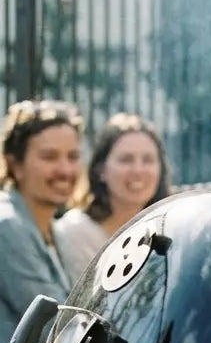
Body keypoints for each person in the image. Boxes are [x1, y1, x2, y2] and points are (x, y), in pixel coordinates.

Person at [0, 99, 83, 343]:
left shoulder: (51, 230)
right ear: (15, 164)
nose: (64, 169)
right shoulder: (8, 227)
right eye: (49, 157)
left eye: (72, 156)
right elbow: (60, 327)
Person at [54, 112, 172, 282]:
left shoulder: (171, 232)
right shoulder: (75, 232)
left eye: (148, 160)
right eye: (126, 160)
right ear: (101, 170)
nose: (138, 170)